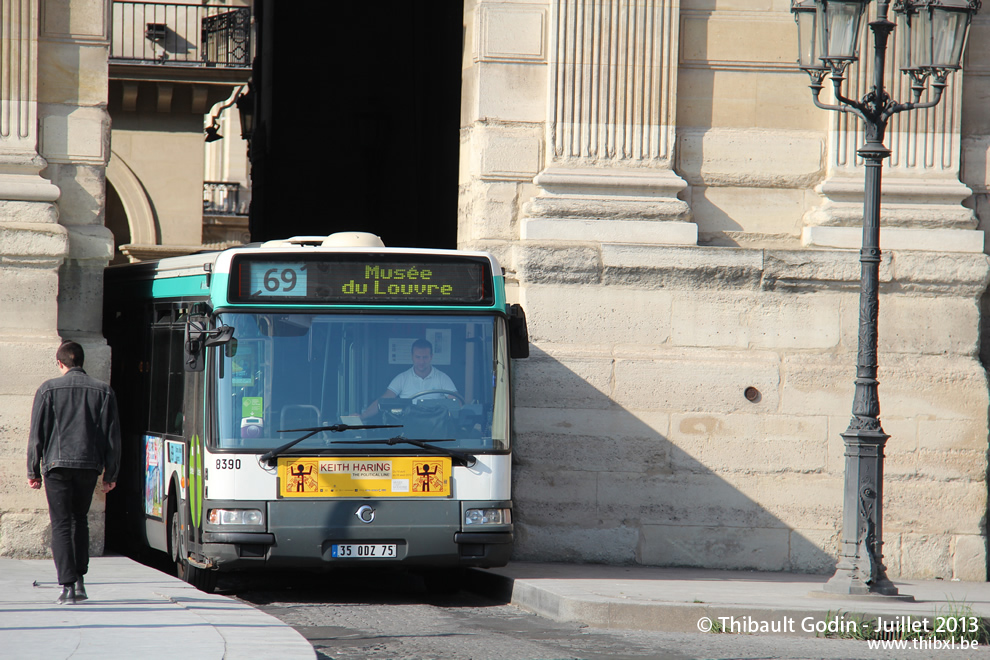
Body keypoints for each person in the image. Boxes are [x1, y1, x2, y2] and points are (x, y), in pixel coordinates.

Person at [26, 341, 121, 605]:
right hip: (88, 465)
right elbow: (112, 437)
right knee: (80, 519)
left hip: (56, 466)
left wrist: (33, 469)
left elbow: (37, 434)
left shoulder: (48, 390)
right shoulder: (103, 391)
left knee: (61, 523)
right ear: (81, 361)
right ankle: (79, 582)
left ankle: (66, 586)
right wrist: (111, 474)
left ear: (60, 363)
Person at [360, 339, 457, 419]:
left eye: (425, 357)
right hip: (409, 430)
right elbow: (383, 401)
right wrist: (362, 416)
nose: (421, 361)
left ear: (431, 357)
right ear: (412, 357)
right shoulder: (402, 378)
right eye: (418, 357)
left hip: (437, 428)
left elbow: (456, 403)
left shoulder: (442, 378)